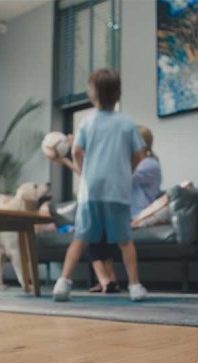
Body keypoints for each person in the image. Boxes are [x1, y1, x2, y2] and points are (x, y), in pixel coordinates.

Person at [52, 68, 148, 302]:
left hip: (91, 192)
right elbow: (140, 154)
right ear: (118, 93)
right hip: (117, 191)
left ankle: (63, 284)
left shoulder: (87, 122)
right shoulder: (126, 123)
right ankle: (135, 286)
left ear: (92, 93)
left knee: (80, 239)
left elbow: (76, 151)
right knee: (125, 241)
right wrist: (128, 172)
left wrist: (84, 171)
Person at [89, 125, 162, 293]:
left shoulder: (150, 164)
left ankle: (107, 280)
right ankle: (108, 280)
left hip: (138, 214)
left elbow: (122, 177)